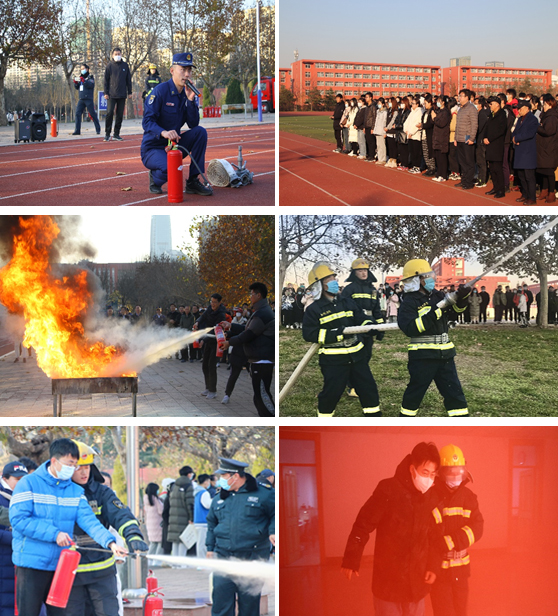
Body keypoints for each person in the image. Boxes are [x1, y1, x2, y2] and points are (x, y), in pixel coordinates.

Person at [10, 438, 128, 616]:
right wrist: (54, 534)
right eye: (70, 464)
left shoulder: (75, 491)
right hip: (32, 565)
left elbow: (90, 522)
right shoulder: (29, 484)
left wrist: (111, 544)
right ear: (55, 461)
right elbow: (18, 519)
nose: (73, 469)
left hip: (61, 568)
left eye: (75, 464)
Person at [342, 442, 443, 616]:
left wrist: (433, 566)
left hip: (417, 582)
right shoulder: (388, 490)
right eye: (425, 472)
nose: (429, 479)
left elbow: (435, 536)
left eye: (433, 474)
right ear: (412, 469)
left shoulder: (431, 498)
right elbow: (363, 524)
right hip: (389, 583)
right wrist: (351, 558)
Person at [67, 441, 148, 616]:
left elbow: (121, 515)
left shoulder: (102, 492)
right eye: (78, 467)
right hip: (70, 572)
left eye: (87, 467)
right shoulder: (58, 493)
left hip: (101, 570)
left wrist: (133, 536)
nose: (84, 472)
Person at [302, 261, 382, 417]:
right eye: (330, 279)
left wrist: (369, 325)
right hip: (334, 360)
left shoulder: (347, 302)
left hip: (357, 357)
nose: (334, 282)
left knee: (369, 389)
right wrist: (337, 334)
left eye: (334, 278)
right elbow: (309, 334)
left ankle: (374, 419)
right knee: (331, 394)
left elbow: (360, 317)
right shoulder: (314, 309)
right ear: (320, 285)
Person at [397, 259, 469, 417]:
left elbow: (453, 313)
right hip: (423, 357)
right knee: (414, 395)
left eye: (431, 274)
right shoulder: (409, 302)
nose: (432, 278)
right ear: (418, 279)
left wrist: (463, 299)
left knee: (455, 395)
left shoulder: (439, 295)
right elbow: (410, 328)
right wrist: (436, 311)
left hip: (445, 355)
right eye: (427, 275)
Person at [206, 458, 274, 616]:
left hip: (253, 556)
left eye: (223, 476)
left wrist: (273, 531)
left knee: (249, 605)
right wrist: (210, 548)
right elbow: (211, 523)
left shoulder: (264, 494)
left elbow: (276, 513)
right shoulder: (220, 497)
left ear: (234, 476)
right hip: (224, 556)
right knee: (221, 603)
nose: (220, 481)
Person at [141, 52, 212, 197]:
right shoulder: (160, 91)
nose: (186, 74)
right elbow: (147, 121)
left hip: (173, 145)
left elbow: (193, 124)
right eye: (183, 70)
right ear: (172, 71)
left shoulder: (186, 94)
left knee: (200, 132)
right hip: (153, 147)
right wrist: (163, 132)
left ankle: (193, 181)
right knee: (171, 168)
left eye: (189, 70)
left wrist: (191, 100)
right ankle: (155, 178)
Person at [430, 445, 484, 616]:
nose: (455, 477)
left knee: (461, 612)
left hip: (461, 571)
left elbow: (478, 527)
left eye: (459, 472)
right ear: (440, 473)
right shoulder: (431, 497)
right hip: (439, 571)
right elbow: (429, 533)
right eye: (450, 472)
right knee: (443, 612)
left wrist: (450, 541)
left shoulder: (469, 497)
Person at [220, 282, 275, 416]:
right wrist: (231, 326)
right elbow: (248, 329)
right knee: (259, 395)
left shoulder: (262, 314)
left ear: (258, 295)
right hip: (258, 361)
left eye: (251, 294)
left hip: (262, 361)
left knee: (262, 395)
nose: (250, 297)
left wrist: (229, 342)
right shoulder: (260, 312)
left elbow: (248, 335)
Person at [340, 258, 385, 397]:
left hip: (370, 326)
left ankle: (357, 382)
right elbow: (345, 309)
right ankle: (352, 386)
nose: (364, 273)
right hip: (355, 327)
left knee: (366, 355)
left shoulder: (372, 289)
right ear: (354, 273)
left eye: (365, 270)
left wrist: (380, 327)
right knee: (356, 357)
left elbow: (376, 309)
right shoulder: (349, 289)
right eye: (360, 270)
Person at [1, 461, 28, 616]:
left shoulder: (26, 497)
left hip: (21, 558)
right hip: (3, 558)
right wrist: (17, 538)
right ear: (5, 478)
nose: (21, 483)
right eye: (17, 479)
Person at [193, 294, 227, 399]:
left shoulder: (221, 314)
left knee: (212, 366)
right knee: (205, 365)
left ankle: (213, 391)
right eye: (211, 301)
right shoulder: (209, 309)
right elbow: (203, 316)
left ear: (219, 302)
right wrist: (197, 322)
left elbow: (215, 330)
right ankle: (207, 387)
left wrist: (204, 340)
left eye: (215, 302)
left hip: (216, 342)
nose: (212, 304)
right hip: (208, 341)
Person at [512, 100, 539, 205]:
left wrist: (517, 138)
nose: (519, 110)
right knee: (521, 176)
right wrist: (514, 138)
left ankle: (532, 198)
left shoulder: (533, 119)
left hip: (528, 151)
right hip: (519, 150)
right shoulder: (519, 119)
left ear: (527, 108)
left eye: (521, 108)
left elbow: (530, 133)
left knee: (529, 176)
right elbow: (514, 131)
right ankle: (525, 194)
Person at [103, 48, 132, 142]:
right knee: (109, 113)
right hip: (111, 94)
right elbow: (105, 80)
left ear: (121, 54)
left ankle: (116, 134)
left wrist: (130, 92)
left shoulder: (125, 65)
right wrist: (106, 92)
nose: (117, 55)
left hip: (122, 94)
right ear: (112, 55)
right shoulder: (109, 66)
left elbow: (128, 80)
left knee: (119, 115)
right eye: (115, 54)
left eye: (119, 54)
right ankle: (107, 134)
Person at [167, 466, 195, 558]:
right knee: (183, 540)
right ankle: (181, 562)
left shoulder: (174, 485)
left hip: (173, 516)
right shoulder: (188, 485)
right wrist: (192, 518)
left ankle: (174, 563)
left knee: (175, 540)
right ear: (189, 474)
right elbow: (190, 503)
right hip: (184, 517)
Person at [535, 93, 558, 204]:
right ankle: (544, 190)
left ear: (550, 105)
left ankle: (551, 192)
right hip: (544, 147)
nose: (543, 106)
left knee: (549, 171)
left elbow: (549, 131)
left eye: (545, 104)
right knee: (542, 169)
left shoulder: (552, 117)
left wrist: (538, 127)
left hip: (549, 147)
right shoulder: (546, 116)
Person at [483, 96, 508, 199]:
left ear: (497, 104)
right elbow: (487, 127)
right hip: (489, 145)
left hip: (497, 145)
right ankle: (495, 187)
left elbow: (501, 130)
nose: (490, 106)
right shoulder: (491, 115)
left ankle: (501, 190)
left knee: (498, 168)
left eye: (491, 103)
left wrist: (490, 138)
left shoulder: (502, 115)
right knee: (492, 168)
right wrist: (485, 137)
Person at [454, 90, 478, 190]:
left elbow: (474, 124)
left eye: (462, 96)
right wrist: (455, 138)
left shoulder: (472, 109)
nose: (460, 98)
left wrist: (472, 138)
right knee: (462, 162)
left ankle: (469, 182)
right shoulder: (460, 109)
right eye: (459, 96)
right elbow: (457, 125)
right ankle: (464, 180)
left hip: (467, 139)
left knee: (469, 162)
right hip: (459, 139)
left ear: (467, 97)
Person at [72, 63, 101, 136]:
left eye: (83, 69)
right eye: (81, 69)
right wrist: (75, 83)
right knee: (77, 114)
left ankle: (98, 129)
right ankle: (77, 130)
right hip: (81, 99)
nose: (82, 70)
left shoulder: (90, 78)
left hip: (88, 99)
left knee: (92, 114)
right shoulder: (80, 78)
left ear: (87, 69)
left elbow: (90, 85)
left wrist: (84, 81)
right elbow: (77, 87)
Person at [431, 95, 451, 182]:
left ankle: (443, 175)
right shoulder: (439, 111)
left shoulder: (446, 112)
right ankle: (439, 174)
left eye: (439, 101)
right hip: (437, 137)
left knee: (442, 158)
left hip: (442, 137)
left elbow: (441, 123)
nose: (437, 103)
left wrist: (434, 117)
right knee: (438, 157)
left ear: (443, 102)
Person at [144, 483, 164, 566]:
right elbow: (161, 511)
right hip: (158, 524)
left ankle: (149, 560)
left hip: (150, 524)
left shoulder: (146, 499)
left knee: (153, 543)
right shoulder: (156, 499)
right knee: (160, 543)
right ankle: (157, 561)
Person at [193, 474, 212, 559]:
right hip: (203, 521)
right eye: (208, 481)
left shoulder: (197, 492)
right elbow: (207, 504)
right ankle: (202, 563)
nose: (209, 483)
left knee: (200, 543)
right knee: (203, 544)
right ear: (205, 482)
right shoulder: (204, 492)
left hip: (198, 520)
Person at [404, 96, 423, 174]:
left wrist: (411, 132)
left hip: (415, 135)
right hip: (410, 135)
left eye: (414, 104)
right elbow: (407, 122)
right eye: (412, 103)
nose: (412, 105)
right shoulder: (412, 112)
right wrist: (406, 130)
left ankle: (417, 167)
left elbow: (417, 124)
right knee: (412, 151)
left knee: (416, 152)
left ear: (418, 104)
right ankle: (414, 166)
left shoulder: (419, 112)